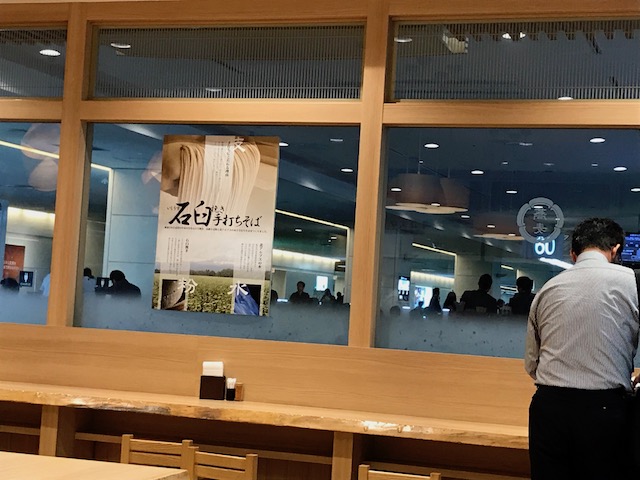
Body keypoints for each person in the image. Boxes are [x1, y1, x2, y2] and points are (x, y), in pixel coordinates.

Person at [525, 217, 639, 480]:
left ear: (573, 254)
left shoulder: (548, 288)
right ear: (616, 250)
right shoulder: (633, 282)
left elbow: (532, 364)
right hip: (605, 410)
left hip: (548, 408)